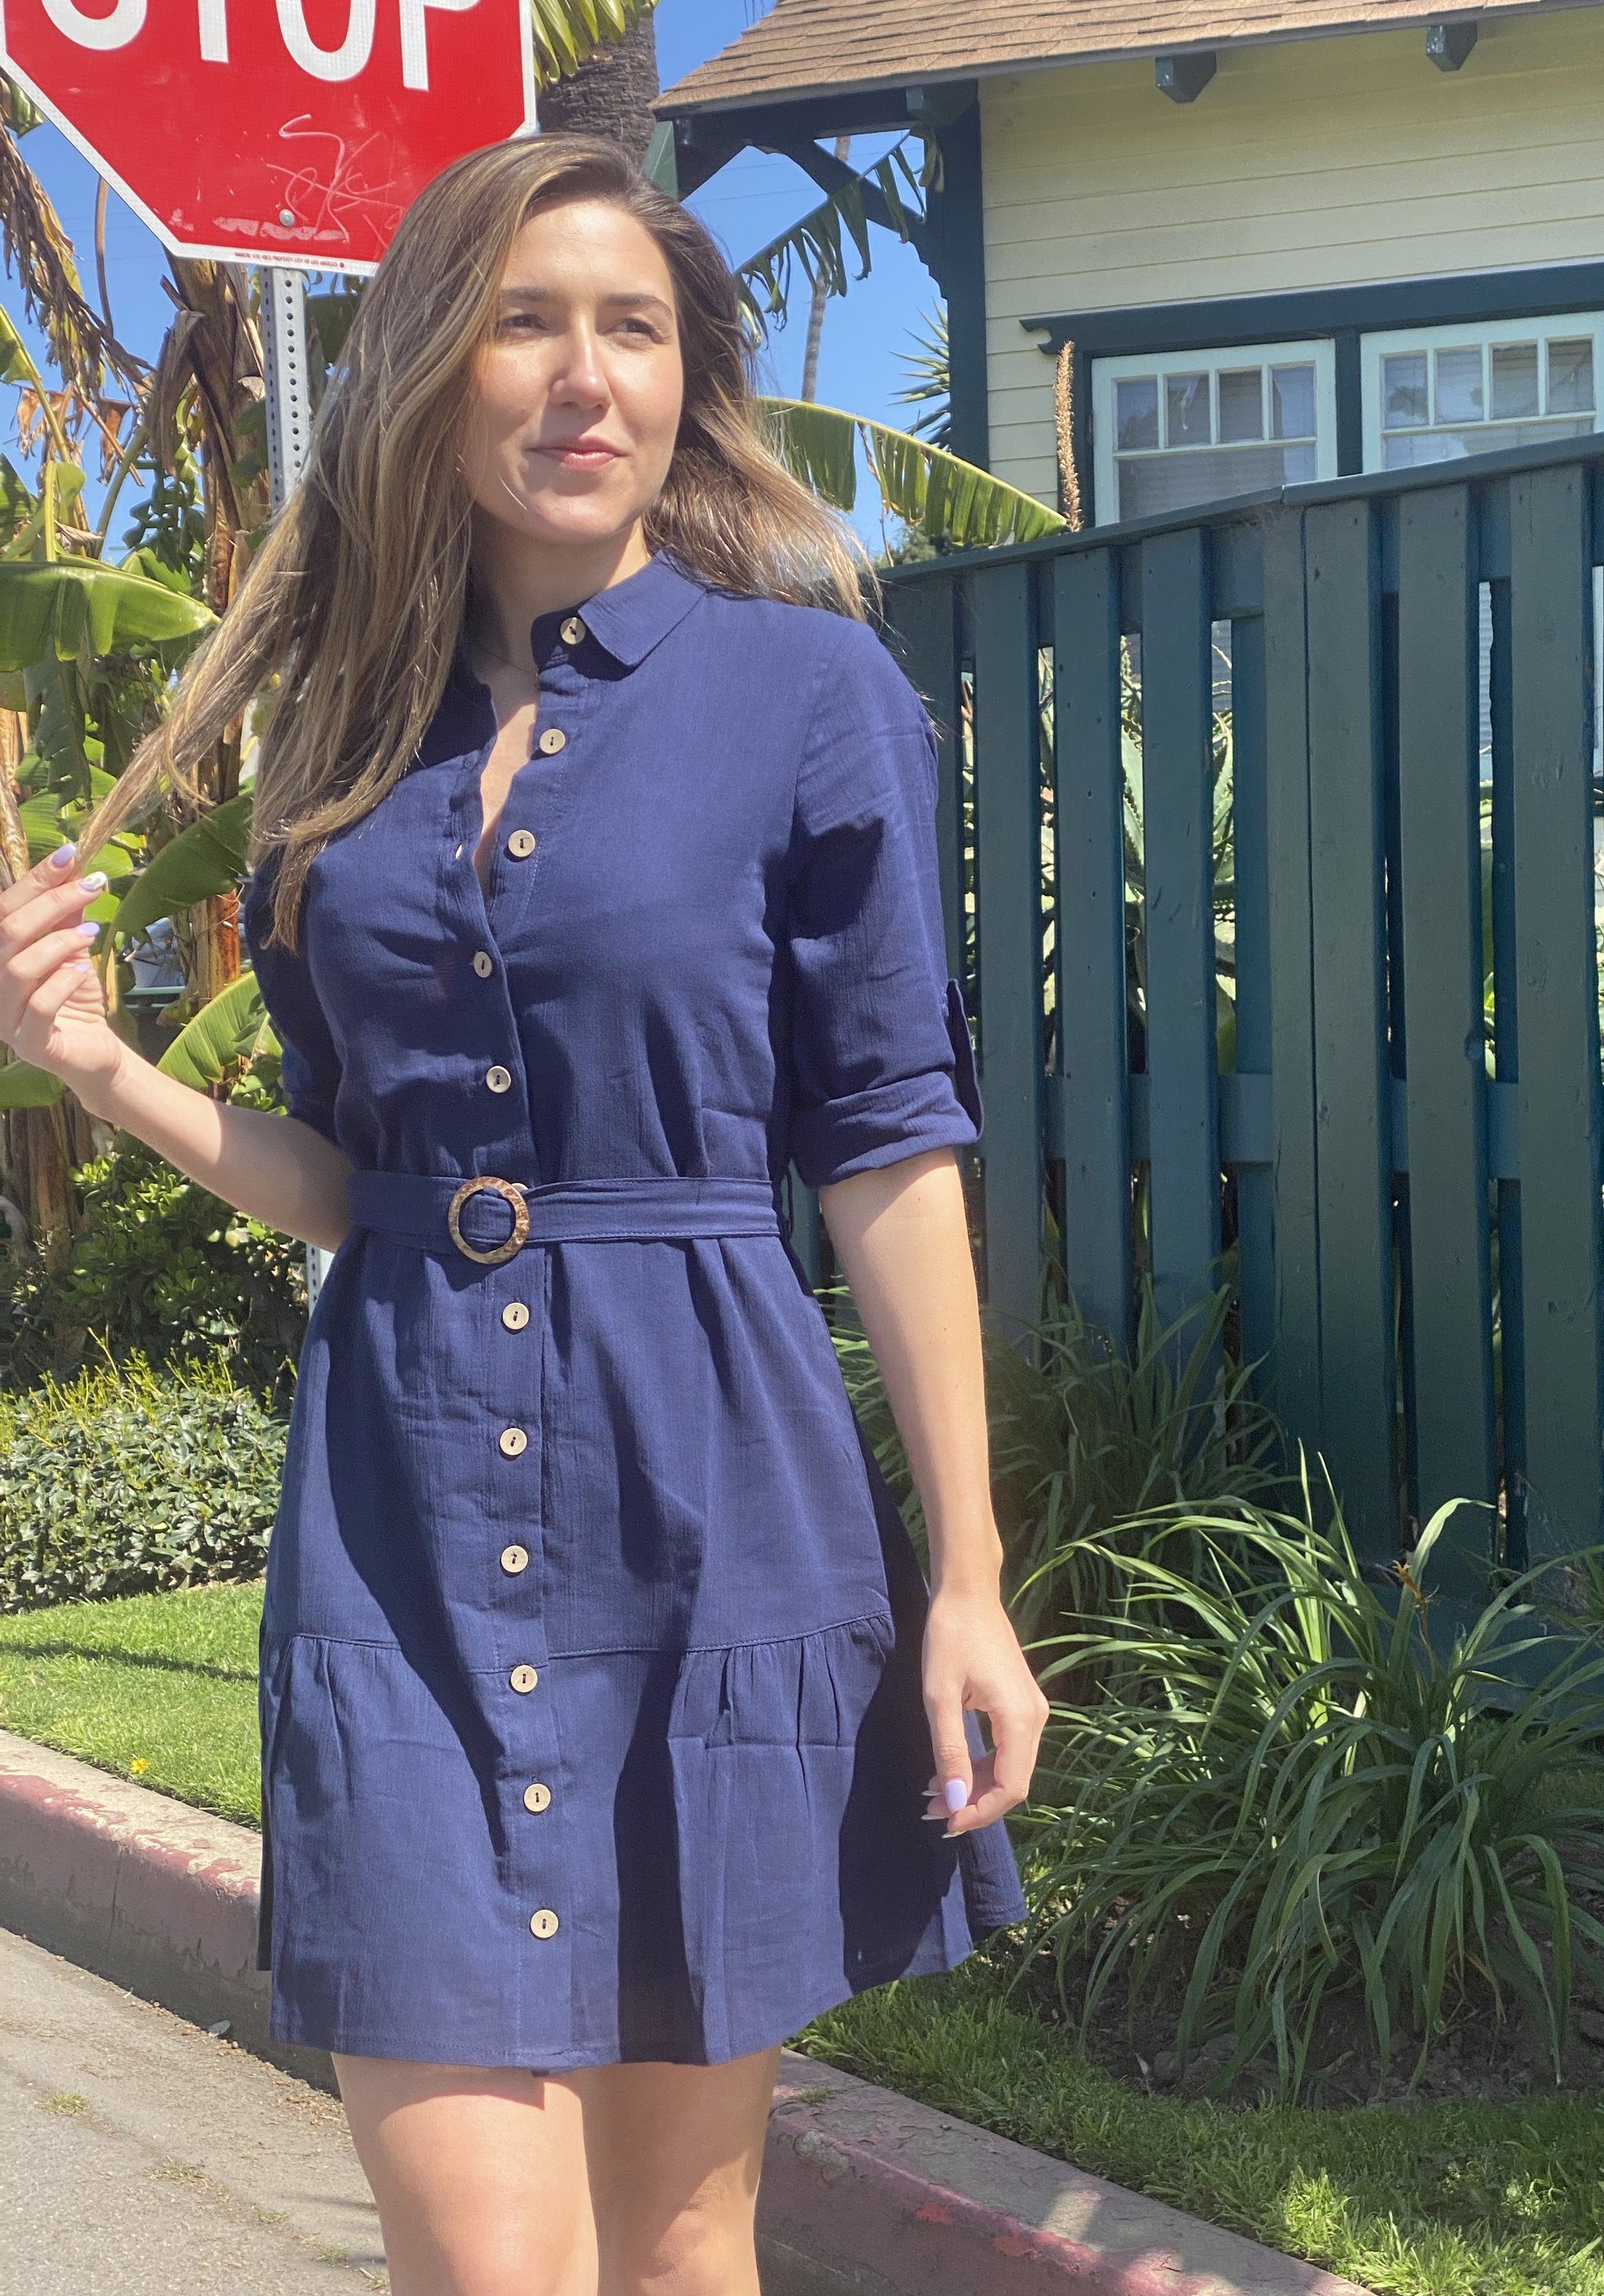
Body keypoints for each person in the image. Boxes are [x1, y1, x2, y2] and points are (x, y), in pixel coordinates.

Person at [0, 133, 1048, 2294]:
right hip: (396, 1526)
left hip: (709, 1494)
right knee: (485, 2257)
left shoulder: (807, 694)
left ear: (685, 384)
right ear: (427, 372)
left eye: (634, 330)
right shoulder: (340, 738)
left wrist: (968, 1573)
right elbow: (353, 1180)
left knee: (678, 2242)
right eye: (524, 323)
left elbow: (885, 1144)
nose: (586, 378)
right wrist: (99, 1068)